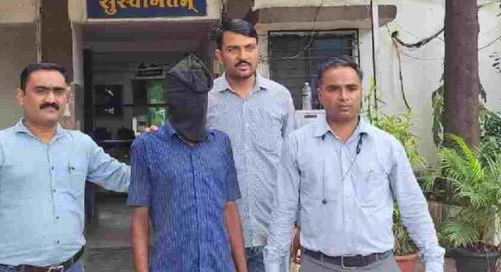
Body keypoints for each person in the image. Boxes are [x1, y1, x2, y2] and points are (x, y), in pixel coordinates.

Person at [263, 56, 444, 272]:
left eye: (351, 88)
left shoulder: (386, 146)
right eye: (333, 89)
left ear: (361, 92)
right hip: (318, 265)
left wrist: (434, 261)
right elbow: (283, 210)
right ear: (320, 94)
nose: (343, 97)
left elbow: (412, 206)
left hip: (378, 265)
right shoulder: (297, 144)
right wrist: (273, 265)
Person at [0, 63, 131, 272]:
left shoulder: (81, 145)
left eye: (58, 91)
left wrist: (160, 147)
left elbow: (124, 179)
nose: (51, 99)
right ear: (21, 97)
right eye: (41, 91)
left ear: (67, 98)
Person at [129, 54, 248, 272]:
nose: (194, 105)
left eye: (199, 97)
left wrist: (242, 268)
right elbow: (140, 220)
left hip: (220, 265)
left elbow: (230, 209)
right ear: (172, 99)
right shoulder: (146, 147)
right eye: (186, 97)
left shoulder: (221, 144)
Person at [208, 19, 298, 272]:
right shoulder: (206, 100)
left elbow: (294, 164)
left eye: (249, 48)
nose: (243, 56)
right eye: (233, 49)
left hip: (273, 234)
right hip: (221, 235)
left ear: (258, 50)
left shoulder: (280, 97)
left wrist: (298, 222)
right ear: (219, 55)